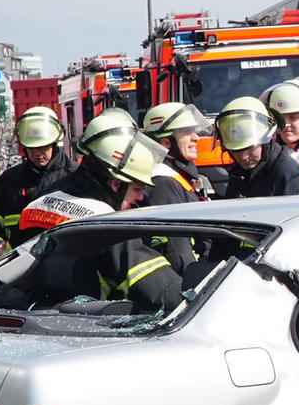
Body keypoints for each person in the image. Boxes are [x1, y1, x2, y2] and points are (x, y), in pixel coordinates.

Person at [19, 110, 182, 312]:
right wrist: (192, 301)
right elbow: (158, 286)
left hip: (35, 318)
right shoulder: (104, 223)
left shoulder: (39, 203)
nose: (140, 198)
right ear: (115, 184)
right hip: (94, 326)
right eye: (137, 189)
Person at [0, 106, 75, 258]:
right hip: (19, 273)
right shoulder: (10, 181)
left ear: (54, 143)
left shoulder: (74, 177)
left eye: (42, 146)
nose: (37, 153)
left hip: (66, 270)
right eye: (31, 148)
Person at [215, 95, 299, 198]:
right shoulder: (240, 176)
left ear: (268, 139)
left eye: (250, 148)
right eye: (237, 151)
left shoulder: (295, 181)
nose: (244, 157)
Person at [140, 102, 213, 201]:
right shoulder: (162, 181)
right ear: (166, 142)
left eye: (194, 130)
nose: (196, 138)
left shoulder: (174, 175)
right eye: (187, 131)